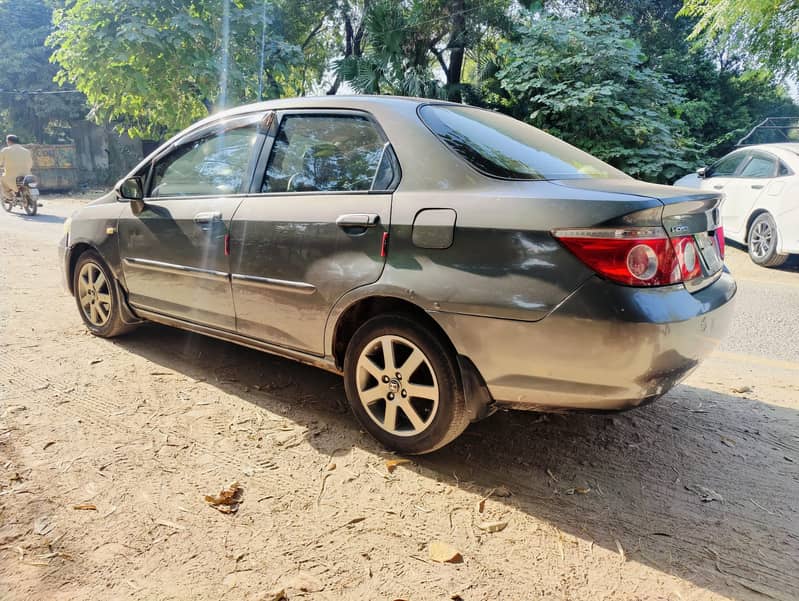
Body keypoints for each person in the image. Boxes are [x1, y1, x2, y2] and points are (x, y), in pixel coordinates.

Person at [0, 135, 33, 201]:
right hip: (26, 175)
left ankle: (10, 197)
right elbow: (30, 164)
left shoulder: (5, 150)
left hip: (11, 177)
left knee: (2, 182)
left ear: (9, 141)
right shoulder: (26, 151)